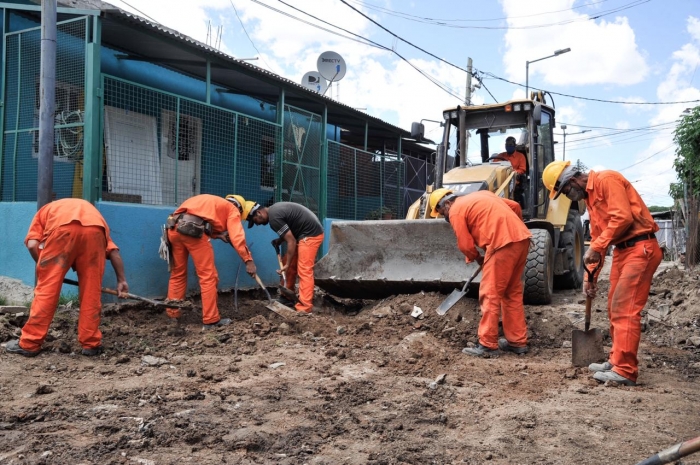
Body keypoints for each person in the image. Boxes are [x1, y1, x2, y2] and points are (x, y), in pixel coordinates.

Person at [543, 160, 662, 386]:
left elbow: (622, 217)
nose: (567, 196)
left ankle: (626, 371)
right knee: (613, 307)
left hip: (640, 248)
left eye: (565, 190)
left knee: (624, 309)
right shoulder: (590, 200)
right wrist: (590, 279)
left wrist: (597, 247)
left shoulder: (607, 180)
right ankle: (617, 360)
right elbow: (598, 241)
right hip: (624, 251)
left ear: (573, 179)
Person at [5, 199, 129, 357]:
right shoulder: (90, 214)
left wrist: (46, 270)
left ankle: (30, 343)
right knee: (91, 292)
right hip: (95, 231)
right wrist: (121, 281)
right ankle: (91, 344)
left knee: (47, 292)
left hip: (61, 230)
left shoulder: (46, 210)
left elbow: (32, 244)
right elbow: (113, 252)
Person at [428, 188, 532, 357]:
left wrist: (477, 258)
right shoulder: (482, 194)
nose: (444, 216)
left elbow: (465, 245)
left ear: (447, 203)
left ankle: (488, 344)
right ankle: (517, 342)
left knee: (490, 293)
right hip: (522, 240)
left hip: (502, 243)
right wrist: (515, 229)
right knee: (511, 292)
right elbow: (515, 206)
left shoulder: (455, 210)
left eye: (441, 213)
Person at [165, 194, 257, 328]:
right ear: (239, 207)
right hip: (193, 234)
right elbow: (237, 237)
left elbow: (195, 219)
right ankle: (211, 320)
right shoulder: (233, 209)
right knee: (208, 277)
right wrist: (248, 260)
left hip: (173, 229)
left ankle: (173, 315)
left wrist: (218, 235)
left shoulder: (210, 201)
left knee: (177, 274)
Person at [248, 201, 324, 313]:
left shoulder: (274, 218)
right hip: (303, 234)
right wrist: (279, 241)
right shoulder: (274, 212)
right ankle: (286, 297)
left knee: (304, 270)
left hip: (311, 234)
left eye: (255, 221)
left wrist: (287, 264)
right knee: (287, 264)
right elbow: (291, 229)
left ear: (259, 213)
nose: (257, 224)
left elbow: (291, 241)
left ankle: (304, 308)